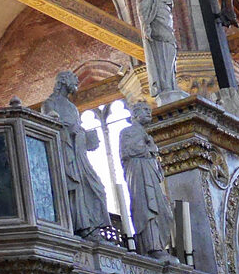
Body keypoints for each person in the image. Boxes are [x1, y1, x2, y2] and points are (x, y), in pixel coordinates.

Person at [40, 72, 111, 238]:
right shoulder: (50, 103)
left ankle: (92, 227)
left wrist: (86, 137)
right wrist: (70, 130)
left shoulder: (71, 107)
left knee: (97, 189)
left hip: (78, 155)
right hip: (64, 153)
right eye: (74, 79)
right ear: (64, 81)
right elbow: (50, 126)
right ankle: (81, 227)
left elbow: (76, 128)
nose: (77, 82)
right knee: (73, 189)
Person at [117, 101, 174, 257]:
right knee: (147, 207)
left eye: (150, 110)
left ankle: (161, 246)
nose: (149, 113)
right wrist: (148, 148)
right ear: (135, 114)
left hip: (150, 174)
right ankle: (152, 247)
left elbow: (153, 156)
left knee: (163, 211)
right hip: (139, 173)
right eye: (145, 110)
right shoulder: (127, 132)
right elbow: (128, 152)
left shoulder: (148, 136)